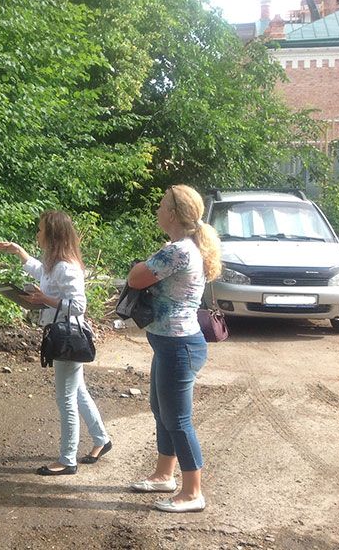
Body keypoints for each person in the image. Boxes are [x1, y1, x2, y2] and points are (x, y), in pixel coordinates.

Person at [126, 185, 222, 513]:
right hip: (171, 344)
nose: (157, 210)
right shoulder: (181, 247)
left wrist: (140, 265)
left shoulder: (177, 251)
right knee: (160, 409)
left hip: (178, 345)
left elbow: (136, 278)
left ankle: (192, 492)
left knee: (178, 419)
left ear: (173, 214)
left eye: (161, 206)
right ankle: (164, 475)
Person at [0, 210, 112, 475]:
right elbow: (41, 272)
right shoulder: (55, 263)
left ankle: (67, 460)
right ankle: (101, 439)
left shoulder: (65, 266)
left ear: (52, 234)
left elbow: (79, 305)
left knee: (66, 399)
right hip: (63, 334)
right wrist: (19, 252)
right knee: (78, 391)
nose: (37, 234)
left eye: (40, 230)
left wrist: (44, 300)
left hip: (68, 338)